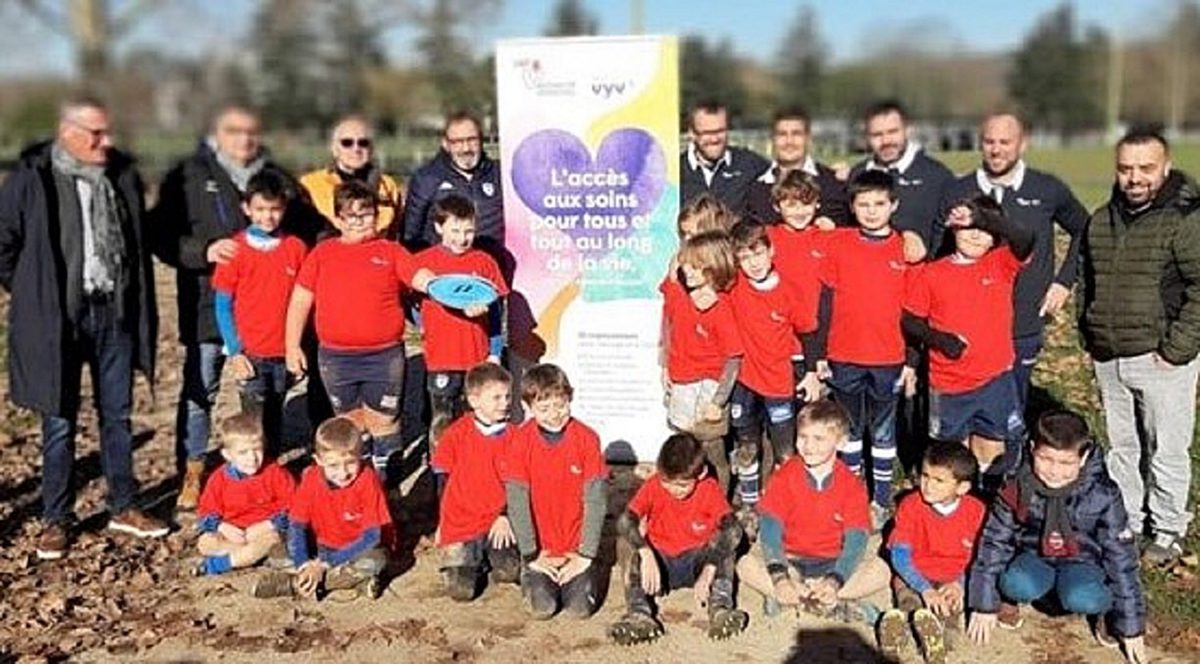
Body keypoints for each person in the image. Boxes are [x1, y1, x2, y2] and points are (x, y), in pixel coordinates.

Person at [0, 96, 165, 560]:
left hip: (113, 313)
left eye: (108, 132)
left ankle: (124, 505)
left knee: (118, 416)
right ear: (67, 132)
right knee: (59, 421)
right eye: (96, 134)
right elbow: (3, 242)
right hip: (59, 321)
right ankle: (56, 518)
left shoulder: (121, 178)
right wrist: (33, 290)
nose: (106, 142)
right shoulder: (33, 180)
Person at [153, 104, 322, 511]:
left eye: (250, 132)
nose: (243, 140)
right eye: (234, 131)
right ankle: (193, 468)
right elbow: (159, 234)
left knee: (267, 399)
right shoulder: (189, 175)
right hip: (209, 303)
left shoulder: (276, 177)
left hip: (267, 315)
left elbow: (309, 229)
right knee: (200, 390)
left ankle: (265, 469)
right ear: (217, 132)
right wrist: (202, 251)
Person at [1079, 128, 1200, 567]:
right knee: (1122, 446)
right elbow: (1086, 280)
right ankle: (1126, 519)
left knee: (1166, 447)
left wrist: (1177, 348)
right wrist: (1087, 333)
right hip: (1109, 355)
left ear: (1165, 167)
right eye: (1126, 168)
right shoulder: (1102, 219)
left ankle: (1168, 530)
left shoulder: (1185, 218)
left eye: (1146, 168)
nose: (1135, 178)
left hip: (1161, 357)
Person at [933, 113, 1089, 410]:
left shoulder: (1047, 189)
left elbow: (1085, 228)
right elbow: (936, 252)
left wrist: (1064, 281)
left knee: (1014, 405)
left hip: (1023, 319)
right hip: (970, 323)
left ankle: (1014, 455)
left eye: (1005, 142)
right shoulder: (957, 190)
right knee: (971, 407)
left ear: (1023, 144)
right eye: (989, 141)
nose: (996, 149)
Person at [967, 411, 1147, 664]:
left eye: (1065, 463)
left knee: (1083, 597)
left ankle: (1104, 613)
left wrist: (1131, 625)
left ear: (1083, 458)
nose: (1053, 471)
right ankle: (1012, 598)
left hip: (1082, 561)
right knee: (1016, 583)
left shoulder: (1104, 494)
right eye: (1045, 459)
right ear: (1032, 449)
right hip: (1034, 555)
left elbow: (1121, 558)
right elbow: (995, 540)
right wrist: (984, 604)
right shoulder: (1016, 484)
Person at [284, 181, 434, 481]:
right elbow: (300, 299)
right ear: (338, 219)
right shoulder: (322, 254)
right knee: (350, 425)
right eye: (350, 216)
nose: (358, 221)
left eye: (365, 214)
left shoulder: (391, 251)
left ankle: (389, 489)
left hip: (384, 357)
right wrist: (292, 346)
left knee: (385, 421)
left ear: (377, 216)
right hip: (336, 359)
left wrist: (444, 286)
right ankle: (358, 489)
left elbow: (420, 276)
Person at [903, 196, 1034, 495]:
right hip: (949, 385)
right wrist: (939, 339)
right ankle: (954, 514)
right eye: (968, 227)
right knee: (951, 457)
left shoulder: (1000, 263)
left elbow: (1026, 238)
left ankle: (987, 503)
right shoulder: (932, 273)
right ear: (953, 230)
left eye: (984, 229)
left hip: (994, 380)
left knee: (993, 445)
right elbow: (910, 320)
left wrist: (985, 217)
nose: (976, 234)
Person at [812, 170, 917, 525]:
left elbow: (916, 311)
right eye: (863, 204)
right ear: (852, 207)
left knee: (884, 429)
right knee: (850, 427)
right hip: (845, 355)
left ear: (894, 205)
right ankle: (853, 494)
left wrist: (911, 361)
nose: (871, 211)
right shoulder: (838, 243)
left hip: (889, 357)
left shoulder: (905, 248)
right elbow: (824, 301)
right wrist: (820, 354)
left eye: (879, 204)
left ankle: (881, 499)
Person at [736, 400, 890, 620]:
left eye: (819, 439)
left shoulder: (851, 484)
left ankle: (805, 597)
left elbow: (856, 538)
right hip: (791, 559)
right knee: (745, 565)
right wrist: (780, 578)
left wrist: (835, 579)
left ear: (841, 442)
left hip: (832, 561)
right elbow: (770, 529)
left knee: (880, 571)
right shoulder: (785, 475)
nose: (809, 446)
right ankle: (820, 601)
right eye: (803, 437)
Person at [608, 433, 746, 645]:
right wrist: (646, 552)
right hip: (661, 562)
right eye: (667, 482)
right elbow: (625, 521)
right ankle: (639, 614)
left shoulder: (708, 488)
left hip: (696, 560)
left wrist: (709, 568)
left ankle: (720, 608)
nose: (673, 490)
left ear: (700, 474)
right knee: (631, 546)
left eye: (682, 485)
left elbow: (733, 530)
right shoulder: (654, 485)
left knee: (726, 547)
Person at [726, 221, 817, 525]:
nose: (753, 263)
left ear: (771, 251)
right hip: (744, 382)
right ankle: (750, 507)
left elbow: (808, 331)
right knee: (747, 447)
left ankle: (783, 507)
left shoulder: (789, 291)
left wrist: (811, 371)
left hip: (779, 383)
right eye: (744, 256)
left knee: (784, 453)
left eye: (758, 253)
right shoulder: (733, 284)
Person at [211, 172, 307, 453]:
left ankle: (273, 474)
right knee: (253, 422)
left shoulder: (296, 248)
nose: (268, 216)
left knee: (276, 417)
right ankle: (253, 476)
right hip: (250, 353)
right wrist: (235, 351)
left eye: (275, 209)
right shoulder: (236, 249)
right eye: (260, 209)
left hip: (283, 352)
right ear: (247, 209)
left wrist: (295, 348)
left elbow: (302, 302)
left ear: (284, 208)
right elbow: (222, 305)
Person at [504, 364, 607, 620]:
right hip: (541, 549)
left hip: (575, 548)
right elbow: (517, 501)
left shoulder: (587, 438)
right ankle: (528, 573)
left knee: (579, 610)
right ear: (528, 408)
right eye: (544, 408)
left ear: (570, 399)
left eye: (560, 405)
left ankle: (583, 574)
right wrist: (531, 554)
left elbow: (595, 500)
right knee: (543, 608)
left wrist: (585, 555)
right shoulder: (520, 440)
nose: (554, 415)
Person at [253, 416, 392, 600]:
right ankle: (347, 582)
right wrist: (303, 563)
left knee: (376, 561)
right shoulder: (310, 478)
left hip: (356, 550)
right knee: (277, 554)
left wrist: (325, 564)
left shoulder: (368, 480)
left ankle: (295, 584)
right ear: (318, 460)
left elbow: (372, 537)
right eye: (333, 465)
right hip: (321, 547)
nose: (343, 473)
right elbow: (297, 525)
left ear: (360, 456)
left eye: (350, 463)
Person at [877, 441, 984, 664]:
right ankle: (897, 633)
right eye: (925, 476)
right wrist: (924, 589)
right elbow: (900, 554)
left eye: (939, 480)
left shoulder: (976, 511)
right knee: (909, 601)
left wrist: (959, 584)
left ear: (962, 487)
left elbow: (979, 555)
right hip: (915, 573)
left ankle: (939, 645)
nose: (928, 485)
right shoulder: (910, 505)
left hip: (952, 577)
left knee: (949, 609)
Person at [415, 194, 509, 446]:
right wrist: (421, 324)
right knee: (442, 422)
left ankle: (477, 474)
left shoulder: (485, 262)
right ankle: (442, 478)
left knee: (478, 421)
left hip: (476, 359)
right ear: (438, 227)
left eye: (468, 230)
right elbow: (407, 298)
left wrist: (495, 352)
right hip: (440, 360)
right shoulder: (424, 263)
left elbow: (497, 312)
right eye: (454, 230)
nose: (462, 238)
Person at [660, 230, 743, 493]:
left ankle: (719, 501)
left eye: (698, 267)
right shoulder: (678, 293)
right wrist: (664, 365)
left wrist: (718, 401)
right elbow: (668, 326)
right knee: (683, 444)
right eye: (687, 265)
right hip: (681, 384)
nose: (689, 271)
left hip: (708, 387)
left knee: (712, 450)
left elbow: (733, 358)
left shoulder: (722, 308)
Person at [432, 363, 522, 601]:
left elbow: (519, 483)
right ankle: (469, 559)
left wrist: (505, 515)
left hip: (497, 521)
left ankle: (487, 555)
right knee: (461, 592)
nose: (505, 403)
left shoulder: (516, 436)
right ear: (474, 400)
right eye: (496, 397)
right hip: (462, 521)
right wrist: (442, 523)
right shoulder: (455, 435)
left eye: (507, 396)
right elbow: (443, 480)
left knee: (509, 572)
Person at [849, 99, 954, 265]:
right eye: (877, 135)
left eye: (892, 132)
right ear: (866, 138)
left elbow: (952, 233)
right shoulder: (857, 175)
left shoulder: (938, 175)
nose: (886, 141)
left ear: (907, 130)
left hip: (921, 277)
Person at [193, 412, 295, 576]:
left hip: (265, 531)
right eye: (243, 452)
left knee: (272, 540)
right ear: (227, 455)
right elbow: (206, 512)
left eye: (257, 450)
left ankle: (222, 563)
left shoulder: (275, 472)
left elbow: (294, 507)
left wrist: (268, 524)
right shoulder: (218, 479)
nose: (252, 458)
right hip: (234, 534)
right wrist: (222, 526)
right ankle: (253, 557)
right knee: (205, 543)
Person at [403, 111, 504, 262]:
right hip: (445, 272)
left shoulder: (500, 174)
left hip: (493, 268)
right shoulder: (426, 178)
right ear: (445, 144)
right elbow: (411, 236)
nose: (466, 148)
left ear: (482, 140)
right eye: (457, 141)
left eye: (472, 140)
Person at [299, 114, 404, 237]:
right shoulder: (310, 185)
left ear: (371, 149)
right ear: (334, 149)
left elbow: (395, 232)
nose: (356, 149)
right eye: (347, 143)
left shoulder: (388, 185)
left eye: (363, 143)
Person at [746, 107, 850, 226]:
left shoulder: (833, 183)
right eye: (782, 134)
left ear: (808, 139)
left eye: (796, 134)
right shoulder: (755, 188)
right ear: (772, 140)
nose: (789, 141)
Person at [680, 100, 770, 216]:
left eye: (720, 131)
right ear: (692, 133)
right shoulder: (676, 172)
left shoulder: (751, 165)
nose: (714, 139)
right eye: (707, 133)